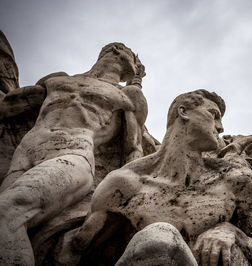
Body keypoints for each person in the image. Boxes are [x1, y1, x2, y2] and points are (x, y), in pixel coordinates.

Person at [72, 90, 252, 265]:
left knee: (161, 236)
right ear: (183, 112)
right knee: (160, 237)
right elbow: (79, 250)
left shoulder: (236, 180)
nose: (220, 128)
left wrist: (232, 232)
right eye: (214, 115)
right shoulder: (123, 184)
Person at [0, 42, 147, 266]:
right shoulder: (58, 79)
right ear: (116, 50)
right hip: (24, 155)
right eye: (133, 58)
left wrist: (121, 201)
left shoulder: (129, 94)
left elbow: (133, 150)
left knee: (7, 212)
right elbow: (9, 107)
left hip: (73, 155)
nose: (137, 65)